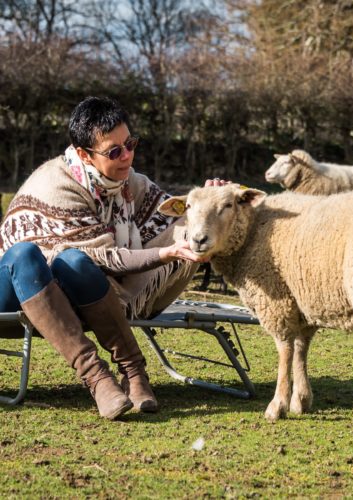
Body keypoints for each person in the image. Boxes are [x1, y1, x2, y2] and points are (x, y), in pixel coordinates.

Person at [0, 96, 215, 420]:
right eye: (114, 151)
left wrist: (210, 200)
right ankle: (97, 377)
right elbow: (105, 259)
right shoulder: (55, 185)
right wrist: (160, 254)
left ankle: (133, 373)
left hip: (70, 296)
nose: (127, 155)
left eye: (130, 144)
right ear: (85, 154)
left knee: (74, 263)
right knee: (29, 254)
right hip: (13, 292)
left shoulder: (129, 185)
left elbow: (180, 217)